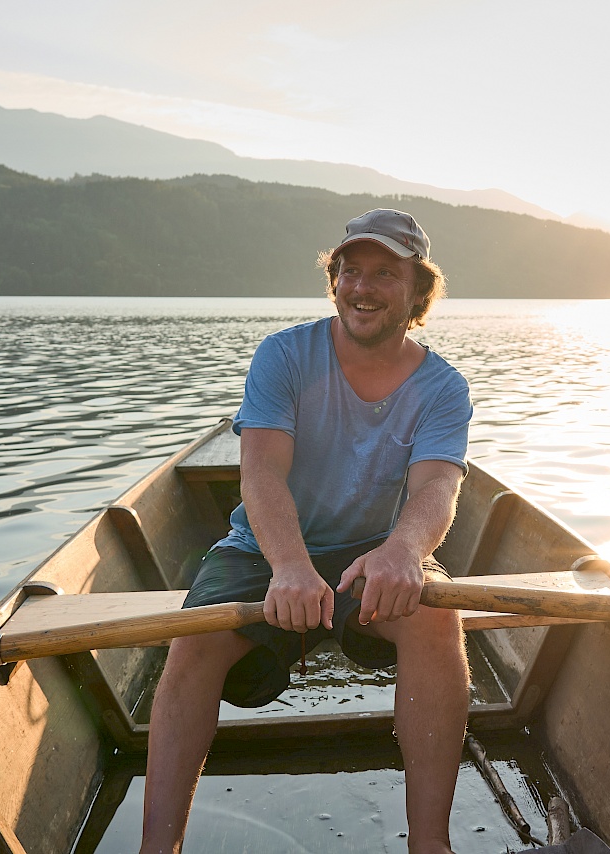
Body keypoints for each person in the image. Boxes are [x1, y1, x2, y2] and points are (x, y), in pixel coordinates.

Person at [140, 209, 473, 854]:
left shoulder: (443, 387)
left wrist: (403, 551)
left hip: (371, 553)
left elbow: (438, 487)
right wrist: (290, 566)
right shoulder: (286, 355)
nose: (361, 287)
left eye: (384, 272)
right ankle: (159, 848)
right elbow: (261, 474)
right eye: (349, 271)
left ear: (418, 290)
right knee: (193, 645)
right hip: (263, 548)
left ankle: (430, 846)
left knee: (439, 617)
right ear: (334, 280)